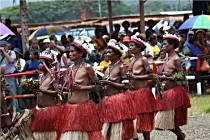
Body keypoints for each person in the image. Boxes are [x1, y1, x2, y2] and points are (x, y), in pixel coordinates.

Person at [59, 36, 105, 140]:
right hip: (69, 108)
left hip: (83, 108)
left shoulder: (87, 67)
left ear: (80, 53)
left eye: (72, 51)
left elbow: (99, 87)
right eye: (69, 52)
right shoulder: (70, 68)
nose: (69, 54)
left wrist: (82, 88)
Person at [97, 40, 136, 140]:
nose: (107, 54)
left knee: (120, 130)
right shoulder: (107, 67)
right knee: (108, 130)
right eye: (106, 52)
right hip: (107, 100)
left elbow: (126, 86)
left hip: (118, 100)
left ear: (117, 54)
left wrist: (110, 83)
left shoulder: (121, 67)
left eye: (110, 52)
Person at [155, 34, 191, 140]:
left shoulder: (176, 59)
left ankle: (181, 136)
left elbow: (182, 76)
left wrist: (169, 78)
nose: (163, 45)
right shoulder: (167, 57)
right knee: (169, 119)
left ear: (172, 45)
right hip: (165, 91)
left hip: (173, 92)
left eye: (165, 44)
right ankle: (181, 136)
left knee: (165, 119)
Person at [126, 35, 156, 140]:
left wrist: (135, 77)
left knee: (143, 119)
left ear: (139, 48)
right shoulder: (131, 59)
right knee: (132, 118)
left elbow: (150, 75)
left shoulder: (143, 60)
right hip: (131, 93)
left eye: (132, 45)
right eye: (129, 46)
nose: (130, 48)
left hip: (141, 93)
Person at [29, 50, 62, 140]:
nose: (39, 65)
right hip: (39, 110)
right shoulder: (40, 76)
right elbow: (39, 91)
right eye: (39, 63)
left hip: (50, 111)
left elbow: (57, 93)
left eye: (41, 63)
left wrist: (43, 90)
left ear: (47, 64)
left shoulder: (52, 76)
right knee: (38, 133)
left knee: (52, 133)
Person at [0, 41, 19, 112]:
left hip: (10, 76)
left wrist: (4, 52)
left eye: (3, 46)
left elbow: (11, 60)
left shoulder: (11, 52)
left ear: (6, 46)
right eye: (1, 46)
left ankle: (16, 111)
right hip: (1, 77)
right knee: (3, 96)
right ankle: (6, 112)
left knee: (13, 94)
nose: (2, 47)